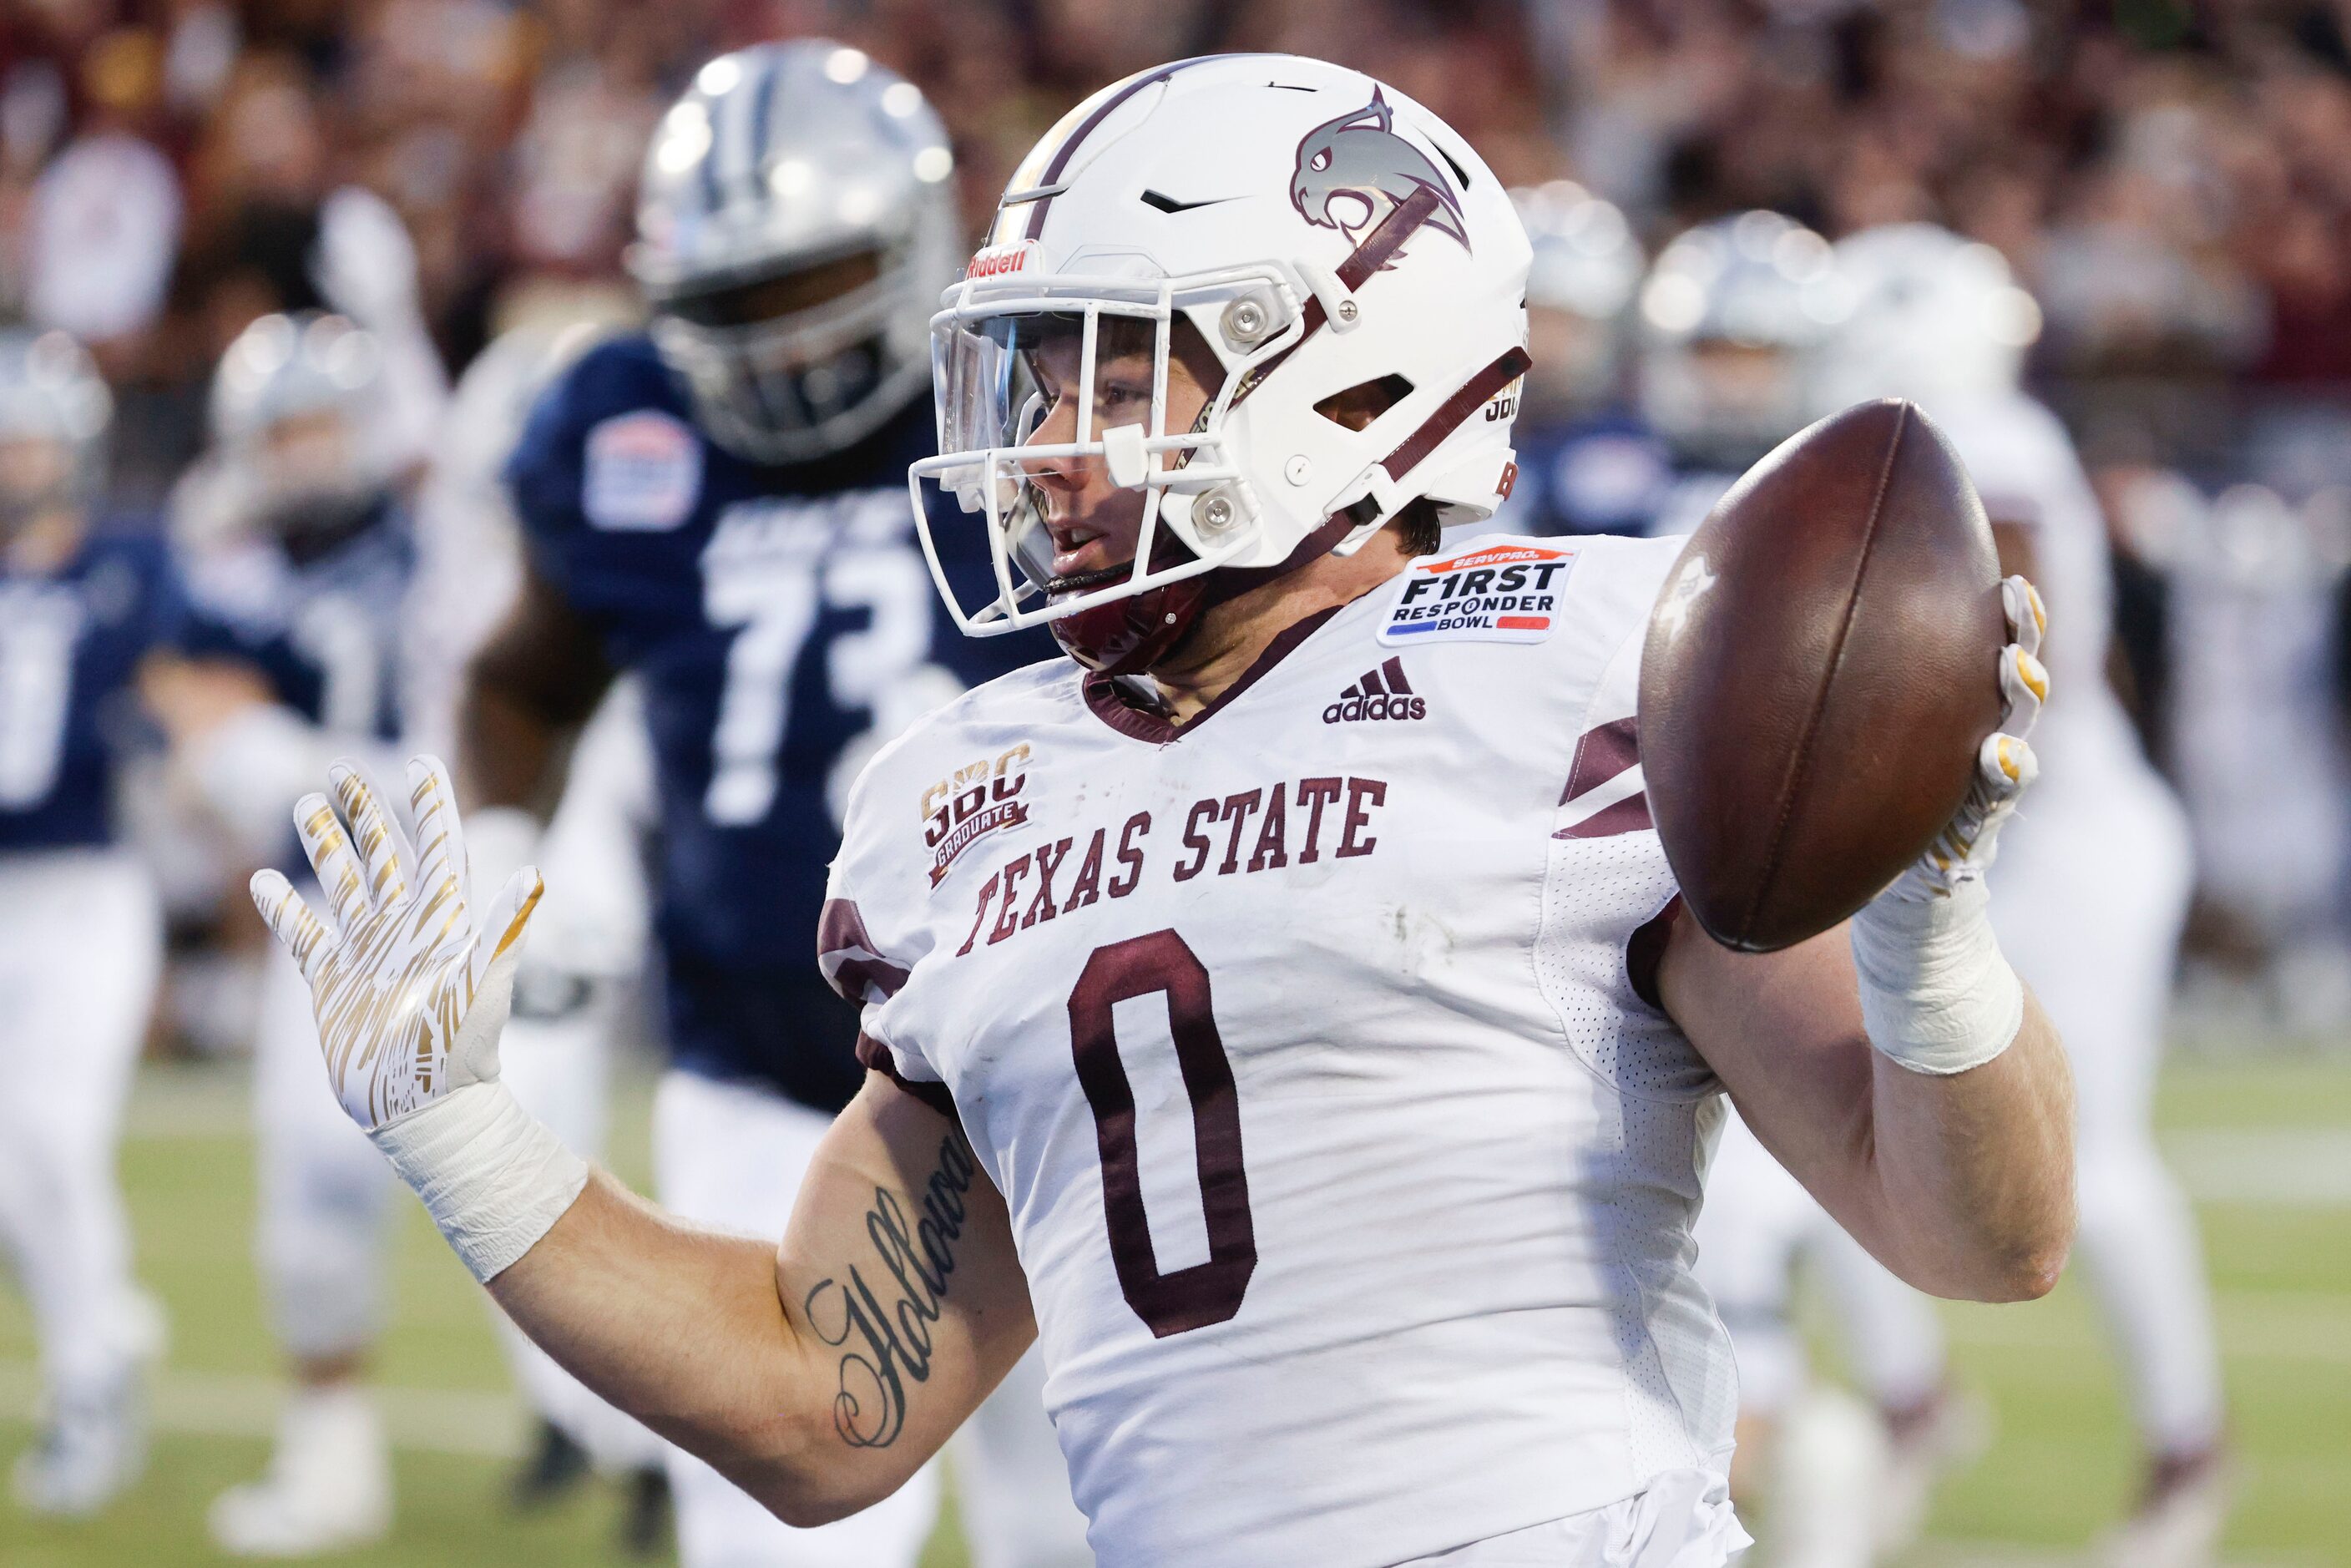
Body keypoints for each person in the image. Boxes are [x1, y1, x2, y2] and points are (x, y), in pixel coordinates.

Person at [245, 55, 2075, 1567]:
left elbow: (1980, 1241)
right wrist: (462, 1135)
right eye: (1032, 374)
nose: (1041, 442)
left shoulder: (1586, 660)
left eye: (1116, 371)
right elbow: (823, 1410)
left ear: (1348, 366)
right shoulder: (964, 795)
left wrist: (1926, 935)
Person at [470, 41, 1090, 1568]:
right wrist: (503, 851)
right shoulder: (624, 420)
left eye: (812, 282)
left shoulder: (1037, 399)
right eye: (736, 306)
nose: (786, 344)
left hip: (1040, 1056)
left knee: (1088, 1522)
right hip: (762, 1062)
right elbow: (520, 676)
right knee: (775, 1539)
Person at [1814, 223, 2228, 1567]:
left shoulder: (1991, 450)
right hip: (1971, 845)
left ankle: (2186, 1451)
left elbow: (1994, 653)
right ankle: (1914, 1404)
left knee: (2093, 1166)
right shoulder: (1937, 440)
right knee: (1822, 1126)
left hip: (2063, 848)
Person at [1642, 214, 1984, 1563]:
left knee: (1751, 1235)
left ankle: (1831, 1445)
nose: (1729, 376)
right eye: (1712, 347)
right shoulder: (1583, 474)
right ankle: (1859, 1426)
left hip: (1756, 911)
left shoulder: (1846, 521)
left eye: (1755, 349)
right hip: (1613, 903)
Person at [143, 310, 425, 1555]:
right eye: (284, 429)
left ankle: (624, 1435)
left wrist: (308, 763)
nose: (307, 452)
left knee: (552, 1185)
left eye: (323, 423)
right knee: (313, 1194)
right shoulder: (231, 573)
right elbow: (201, 734)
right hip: (332, 922)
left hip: (483, 898)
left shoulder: (445, 540)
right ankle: (332, 1461)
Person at [0, 328, 177, 1517]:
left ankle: (94, 1375)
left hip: (92, 889)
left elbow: (179, 693)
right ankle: (105, 1337)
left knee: (56, 1137)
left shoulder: (127, 557)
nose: (17, 465)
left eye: (32, 441)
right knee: (14, 1171)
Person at [1485, 180, 1666, 538]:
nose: (1546, 342)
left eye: (1565, 321)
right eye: (1534, 316)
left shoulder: (1626, 453)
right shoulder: (1457, 434)